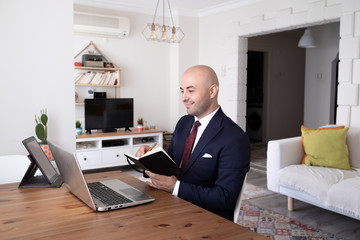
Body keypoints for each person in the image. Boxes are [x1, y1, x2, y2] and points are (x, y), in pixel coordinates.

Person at [136, 65, 250, 221]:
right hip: (172, 205)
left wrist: (174, 187)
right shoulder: (184, 123)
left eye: (190, 90)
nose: (184, 97)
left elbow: (225, 197)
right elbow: (168, 165)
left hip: (206, 218)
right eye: (182, 91)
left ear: (212, 91)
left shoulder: (235, 138)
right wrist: (149, 158)